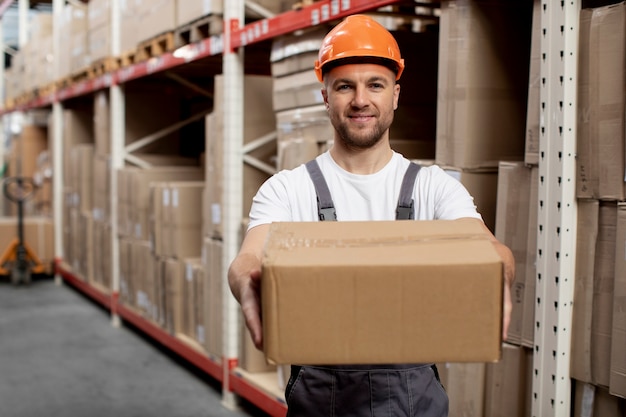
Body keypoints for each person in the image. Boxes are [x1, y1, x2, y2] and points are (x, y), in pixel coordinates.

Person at [228, 14, 515, 417]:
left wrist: (499, 269)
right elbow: (249, 257)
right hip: (320, 397)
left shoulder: (433, 187)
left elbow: (486, 247)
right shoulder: (288, 188)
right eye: (345, 86)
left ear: (395, 95)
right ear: (326, 96)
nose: (360, 100)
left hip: (414, 399)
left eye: (375, 85)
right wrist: (245, 279)